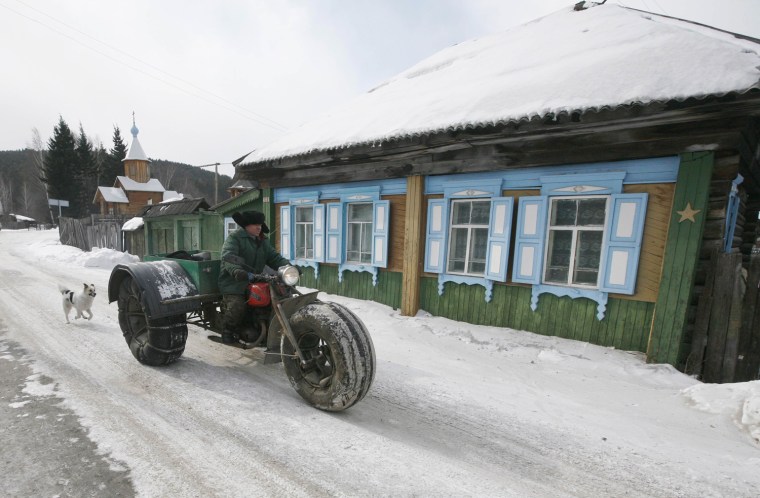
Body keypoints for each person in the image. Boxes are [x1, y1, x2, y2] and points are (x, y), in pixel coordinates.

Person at [218, 210, 290, 343]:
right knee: (238, 305)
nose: (259, 227)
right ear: (246, 226)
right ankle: (228, 330)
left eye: (260, 224)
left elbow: (274, 258)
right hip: (235, 281)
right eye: (254, 224)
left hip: (256, 279)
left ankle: (267, 328)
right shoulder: (234, 238)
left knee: (277, 298)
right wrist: (237, 271)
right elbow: (228, 256)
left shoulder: (262, 241)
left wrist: (289, 267)